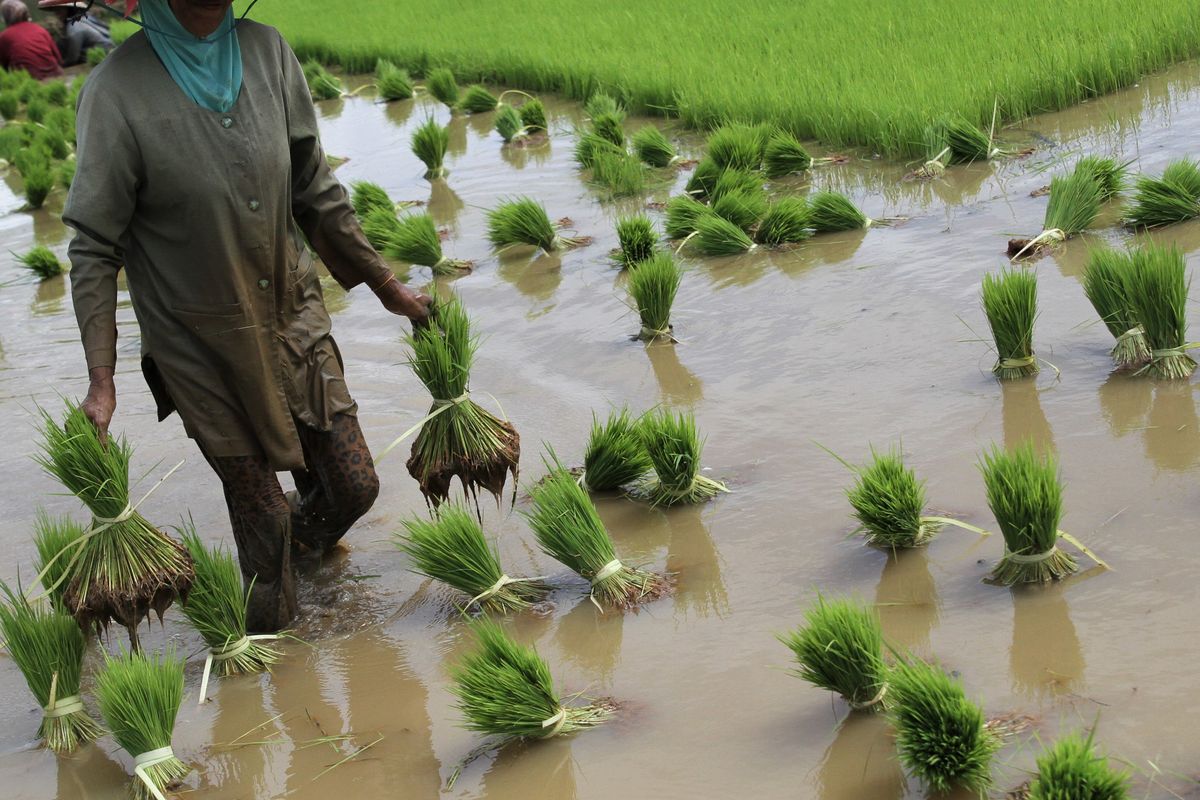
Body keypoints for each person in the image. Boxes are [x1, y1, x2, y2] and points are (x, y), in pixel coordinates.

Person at [64, 0, 431, 632]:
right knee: (261, 517)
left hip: (293, 315)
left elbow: (314, 187)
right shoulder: (116, 90)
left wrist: (385, 283)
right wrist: (102, 379)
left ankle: (308, 555)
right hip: (199, 342)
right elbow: (94, 244)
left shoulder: (267, 52)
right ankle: (271, 663)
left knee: (355, 486)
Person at [0, 0, 62, 78]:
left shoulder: (4, 36)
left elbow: (3, 68)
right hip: (57, 75)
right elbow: (58, 58)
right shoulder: (40, 29)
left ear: (6, 17)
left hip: (28, 80)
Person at [41, 1, 113, 66]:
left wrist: (61, 65)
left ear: (69, 9)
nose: (57, 14)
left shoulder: (74, 28)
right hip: (110, 48)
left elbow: (72, 59)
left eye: (59, 10)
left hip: (106, 55)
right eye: (55, 11)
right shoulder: (85, 18)